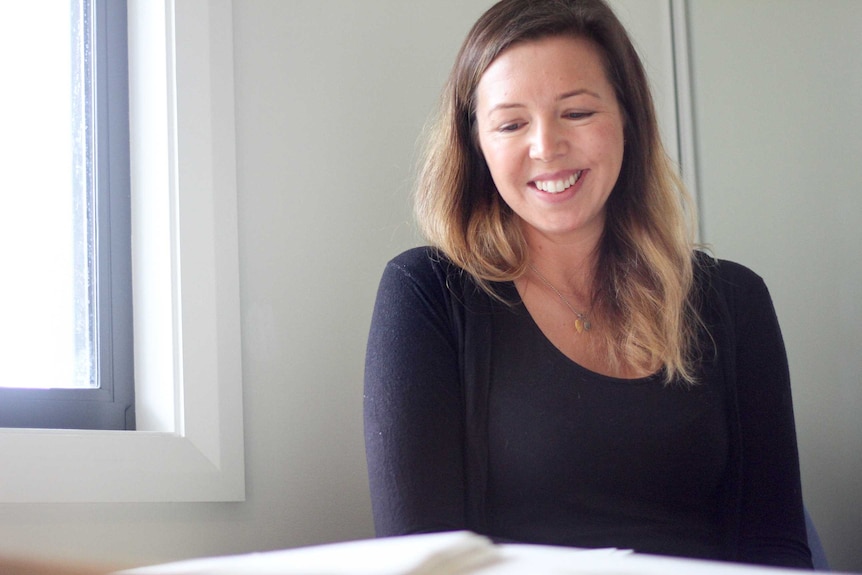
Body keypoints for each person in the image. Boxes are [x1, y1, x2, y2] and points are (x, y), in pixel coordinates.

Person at [363, 0, 813, 568]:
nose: (546, 146)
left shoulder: (733, 301)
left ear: (628, 118)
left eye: (576, 113)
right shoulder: (427, 295)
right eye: (511, 123)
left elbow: (778, 548)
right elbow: (421, 559)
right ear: (477, 144)